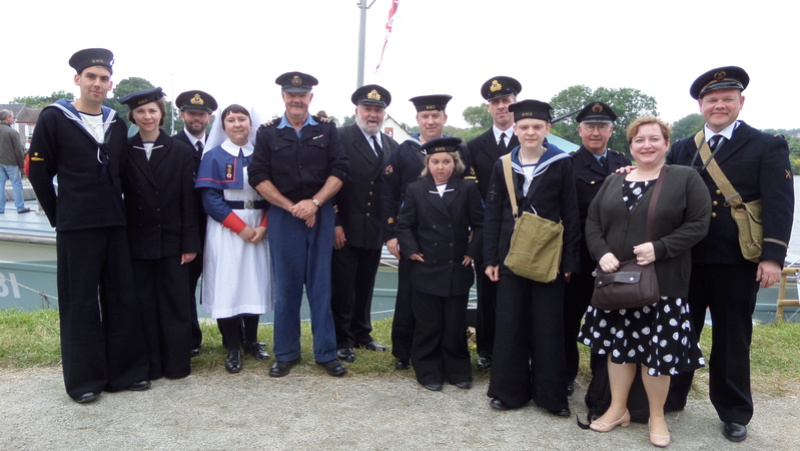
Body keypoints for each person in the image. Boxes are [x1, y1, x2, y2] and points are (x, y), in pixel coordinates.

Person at [664, 66, 794, 442]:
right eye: (711, 100)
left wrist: (772, 257)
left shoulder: (766, 145)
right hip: (687, 257)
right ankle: (672, 395)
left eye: (726, 99)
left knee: (732, 337)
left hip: (737, 259)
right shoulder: (683, 148)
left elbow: (779, 204)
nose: (718, 105)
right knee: (679, 329)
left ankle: (734, 410)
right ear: (701, 105)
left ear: (741, 102)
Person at [578, 117, 710, 447]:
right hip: (617, 282)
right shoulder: (614, 180)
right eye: (639, 140)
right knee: (618, 349)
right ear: (631, 146)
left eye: (654, 139)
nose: (647, 145)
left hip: (663, 283)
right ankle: (617, 409)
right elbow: (593, 222)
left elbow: (698, 224)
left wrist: (660, 248)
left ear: (667, 144)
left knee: (657, 354)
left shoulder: (684, 178)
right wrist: (601, 252)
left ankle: (656, 416)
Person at [28, 48, 150, 403]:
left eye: (103, 78)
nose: (97, 83)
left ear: (110, 84)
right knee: (80, 302)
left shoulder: (116, 122)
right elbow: (38, 173)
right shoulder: (55, 117)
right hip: (76, 227)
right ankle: (85, 380)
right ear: (77, 79)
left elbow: (125, 175)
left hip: (114, 223)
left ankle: (125, 373)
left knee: (121, 297)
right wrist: (59, 217)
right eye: (91, 77)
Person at [248, 72, 350, 378]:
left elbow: (341, 169)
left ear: (310, 98)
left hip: (320, 214)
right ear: (283, 97)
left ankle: (326, 353)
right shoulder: (267, 134)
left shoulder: (327, 130)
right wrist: (292, 207)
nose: (296, 99)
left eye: (302, 94)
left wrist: (315, 203)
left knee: (321, 286)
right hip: (283, 215)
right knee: (287, 288)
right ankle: (286, 353)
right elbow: (258, 176)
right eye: (291, 94)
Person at [483, 99, 579, 416]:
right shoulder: (503, 164)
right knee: (510, 323)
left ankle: (550, 395)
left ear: (547, 129)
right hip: (511, 255)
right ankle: (509, 392)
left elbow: (571, 214)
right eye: (524, 127)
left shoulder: (562, 162)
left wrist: (569, 262)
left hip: (548, 255)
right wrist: (491, 259)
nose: (530, 132)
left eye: (537, 127)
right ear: (515, 128)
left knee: (548, 325)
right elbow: (493, 215)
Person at [382, 94, 474, 370]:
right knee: (409, 295)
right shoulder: (403, 150)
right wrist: (391, 234)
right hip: (412, 237)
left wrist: (470, 232)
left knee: (445, 303)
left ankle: (447, 354)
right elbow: (389, 192)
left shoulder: (458, 149)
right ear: (418, 119)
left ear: (444, 118)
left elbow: (470, 192)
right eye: (425, 116)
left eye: (436, 116)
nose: (430, 121)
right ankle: (404, 350)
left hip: (446, 241)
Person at [119, 87, 200, 380]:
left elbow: (188, 200)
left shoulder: (179, 150)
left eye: (152, 110)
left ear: (162, 114)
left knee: (175, 304)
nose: (147, 116)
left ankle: (176, 365)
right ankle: (150, 366)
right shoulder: (125, 150)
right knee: (145, 305)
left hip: (172, 240)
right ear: (133, 116)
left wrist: (190, 243)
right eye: (140, 111)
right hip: (138, 242)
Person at [396, 137, 484, 391]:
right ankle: (427, 369)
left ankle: (457, 370)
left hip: (457, 267)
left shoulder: (467, 189)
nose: (441, 166)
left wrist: (472, 251)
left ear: (454, 164)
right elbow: (404, 225)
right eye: (435, 161)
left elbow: (481, 223)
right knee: (428, 324)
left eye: (446, 161)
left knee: (455, 324)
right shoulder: (416, 189)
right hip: (426, 268)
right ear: (428, 164)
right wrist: (411, 251)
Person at [195, 104, 274, 373]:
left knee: (253, 283)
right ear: (223, 125)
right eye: (231, 120)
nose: (237, 124)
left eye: (242, 119)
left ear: (251, 124)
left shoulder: (262, 156)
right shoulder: (215, 156)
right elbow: (210, 200)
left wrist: (263, 225)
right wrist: (240, 228)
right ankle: (232, 346)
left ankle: (251, 340)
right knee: (228, 285)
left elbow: (274, 196)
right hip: (227, 229)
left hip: (259, 227)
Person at [564, 101, 631, 395]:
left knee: (608, 322)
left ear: (611, 130)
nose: (595, 132)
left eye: (602, 126)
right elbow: (565, 217)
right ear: (579, 130)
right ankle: (564, 375)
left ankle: (602, 381)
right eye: (590, 126)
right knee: (567, 320)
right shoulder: (568, 164)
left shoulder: (624, 164)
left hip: (615, 258)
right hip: (579, 258)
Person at [331, 84, 398, 363]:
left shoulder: (392, 145)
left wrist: (390, 229)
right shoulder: (340, 137)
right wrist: (334, 222)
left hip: (373, 228)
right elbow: (327, 180)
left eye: (378, 110)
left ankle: (362, 333)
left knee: (366, 283)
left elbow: (392, 191)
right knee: (343, 286)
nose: (373, 114)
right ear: (356, 110)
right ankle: (341, 338)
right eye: (368, 109)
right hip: (344, 225)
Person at [466, 76, 521, 371]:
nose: (502, 106)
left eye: (507, 101)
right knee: (488, 291)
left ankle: (516, 349)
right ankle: (486, 349)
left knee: (519, 291)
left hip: (523, 230)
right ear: (489, 108)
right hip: (488, 230)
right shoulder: (474, 146)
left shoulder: (530, 139)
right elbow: (471, 193)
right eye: (496, 102)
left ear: (516, 104)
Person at [172, 89, 219, 357]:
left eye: (201, 114)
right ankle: (190, 339)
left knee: (225, 281)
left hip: (219, 227)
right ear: (182, 115)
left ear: (209, 117)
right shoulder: (171, 144)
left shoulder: (218, 144)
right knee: (185, 287)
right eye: (192, 113)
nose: (196, 118)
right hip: (188, 230)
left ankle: (234, 338)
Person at [0, 109, 30, 214]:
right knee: (16, 184)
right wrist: (22, 165)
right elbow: (18, 150)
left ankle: (0, 208)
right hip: (11, 162)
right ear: (7, 118)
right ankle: (20, 207)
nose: (13, 119)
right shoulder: (12, 132)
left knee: (0, 184)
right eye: (12, 117)